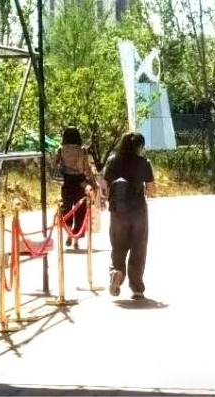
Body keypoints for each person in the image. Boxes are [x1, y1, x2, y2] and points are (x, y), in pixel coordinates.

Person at [103, 132, 156, 300]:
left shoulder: (112, 160)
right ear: (140, 146)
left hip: (118, 212)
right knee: (138, 247)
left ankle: (116, 272)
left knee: (118, 247)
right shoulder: (143, 162)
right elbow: (151, 189)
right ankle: (137, 287)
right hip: (138, 211)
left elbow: (104, 185)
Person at [52, 127, 96, 249]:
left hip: (66, 182)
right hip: (80, 182)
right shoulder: (83, 150)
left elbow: (55, 165)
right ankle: (76, 239)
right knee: (80, 210)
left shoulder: (61, 150)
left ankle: (69, 234)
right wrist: (93, 182)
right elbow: (87, 168)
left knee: (67, 209)